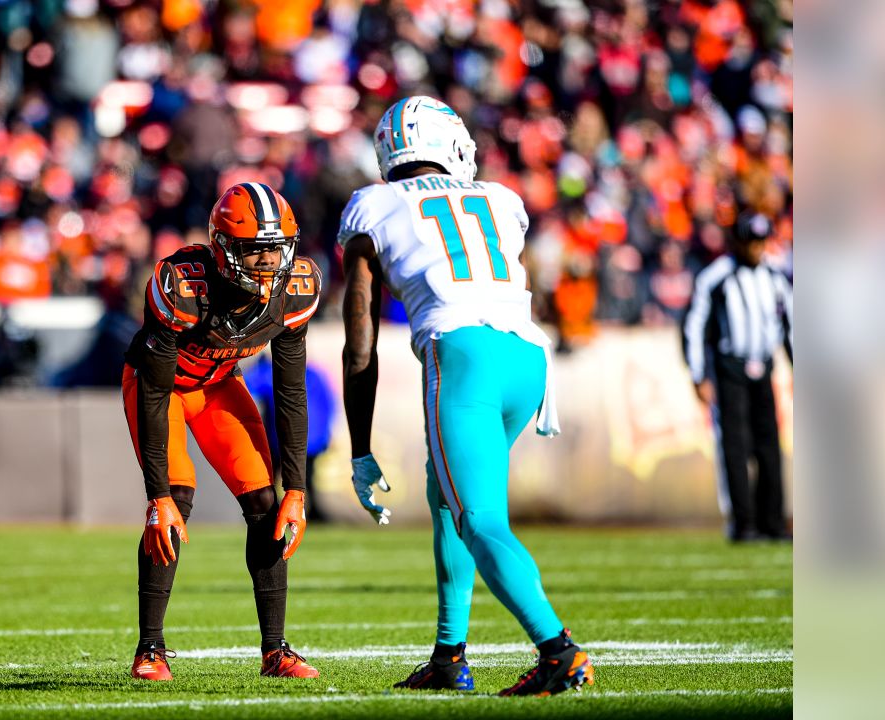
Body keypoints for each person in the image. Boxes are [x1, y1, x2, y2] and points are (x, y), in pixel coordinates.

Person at [338, 96, 594, 696]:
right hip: (528, 359)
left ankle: (557, 650)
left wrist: (358, 448)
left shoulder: (373, 205)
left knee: (479, 518)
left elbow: (359, 345)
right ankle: (449, 655)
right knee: (448, 495)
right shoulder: (502, 200)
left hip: (464, 356)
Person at [121, 182, 323, 681]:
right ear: (224, 250)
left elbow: (291, 390)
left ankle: (276, 651)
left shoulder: (296, 287)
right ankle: (151, 648)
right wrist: (157, 493)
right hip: (160, 387)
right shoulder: (183, 284)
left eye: (276, 250)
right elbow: (154, 389)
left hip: (216, 384)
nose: (269, 264)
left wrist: (297, 487)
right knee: (174, 505)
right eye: (256, 253)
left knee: (267, 504)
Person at [683, 211, 793, 542]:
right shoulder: (717, 276)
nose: (756, 249)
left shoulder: (776, 277)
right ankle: (743, 523)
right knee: (735, 445)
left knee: (769, 445)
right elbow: (694, 326)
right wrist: (699, 374)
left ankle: (772, 520)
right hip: (730, 368)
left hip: (764, 366)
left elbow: (792, 325)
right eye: (751, 242)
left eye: (761, 241)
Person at [243, 355, 337, 521]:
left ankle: (276, 512)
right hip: (312, 440)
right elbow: (330, 404)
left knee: (271, 477)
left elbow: (249, 385)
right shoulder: (315, 374)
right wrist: (326, 434)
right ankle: (313, 513)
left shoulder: (275, 371)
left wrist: (260, 365)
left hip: (285, 439)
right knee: (305, 477)